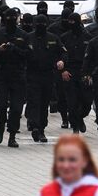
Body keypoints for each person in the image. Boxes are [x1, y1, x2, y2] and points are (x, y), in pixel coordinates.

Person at [0, 8, 31, 147]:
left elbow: (29, 54)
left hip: (18, 75)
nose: (11, 20)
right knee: (0, 105)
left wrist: (15, 49)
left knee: (16, 108)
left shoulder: (23, 35)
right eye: (9, 17)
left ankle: (12, 135)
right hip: (2, 75)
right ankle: (0, 126)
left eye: (14, 17)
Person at [27, 14, 67, 142]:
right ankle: (34, 127)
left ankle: (42, 129)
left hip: (48, 75)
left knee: (44, 103)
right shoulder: (28, 38)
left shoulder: (53, 38)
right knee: (34, 101)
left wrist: (61, 61)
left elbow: (63, 52)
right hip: (32, 75)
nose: (41, 26)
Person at [60, 12, 93, 134]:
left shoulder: (87, 37)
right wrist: (63, 70)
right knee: (72, 101)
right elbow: (60, 55)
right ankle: (75, 127)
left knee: (87, 101)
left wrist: (89, 73)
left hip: (84, 72)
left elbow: (91, 57)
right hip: (70, 71)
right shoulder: (65, 37)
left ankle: (80, 117)